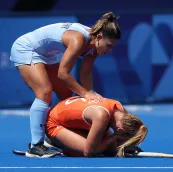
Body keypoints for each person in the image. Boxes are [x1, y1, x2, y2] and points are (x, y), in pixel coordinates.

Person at [9, 12, 121, 158]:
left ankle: (53, 138)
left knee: (66, 97)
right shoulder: (78, 39)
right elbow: (63, 74)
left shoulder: (94, 48)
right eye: (109, 45)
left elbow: (85, 74)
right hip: (26, 48)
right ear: (99, 37)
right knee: (44, 91)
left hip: (47, 54)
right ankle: (35, 146)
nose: (109, 50)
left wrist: (92, 95)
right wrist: (86, 94)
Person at [45, 96, 148, 157]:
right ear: (121, 130)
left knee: (102, 144)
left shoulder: (121, 110)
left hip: (65, 112)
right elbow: (88, 152)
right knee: (93, 151)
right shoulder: (101, 117)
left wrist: (123, 147)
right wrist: (113, 139)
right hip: (53, 122)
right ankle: (53, 142)